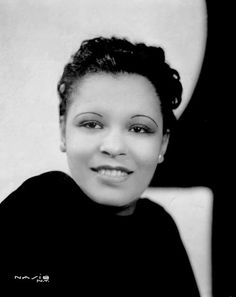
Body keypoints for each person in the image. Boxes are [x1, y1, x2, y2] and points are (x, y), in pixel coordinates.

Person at [0, 36, 200, 295]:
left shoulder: (159, 229)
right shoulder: (37, 208)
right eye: (92, 124)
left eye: (139, 128)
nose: (114, 146)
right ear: (63, 132)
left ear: (162, 145)